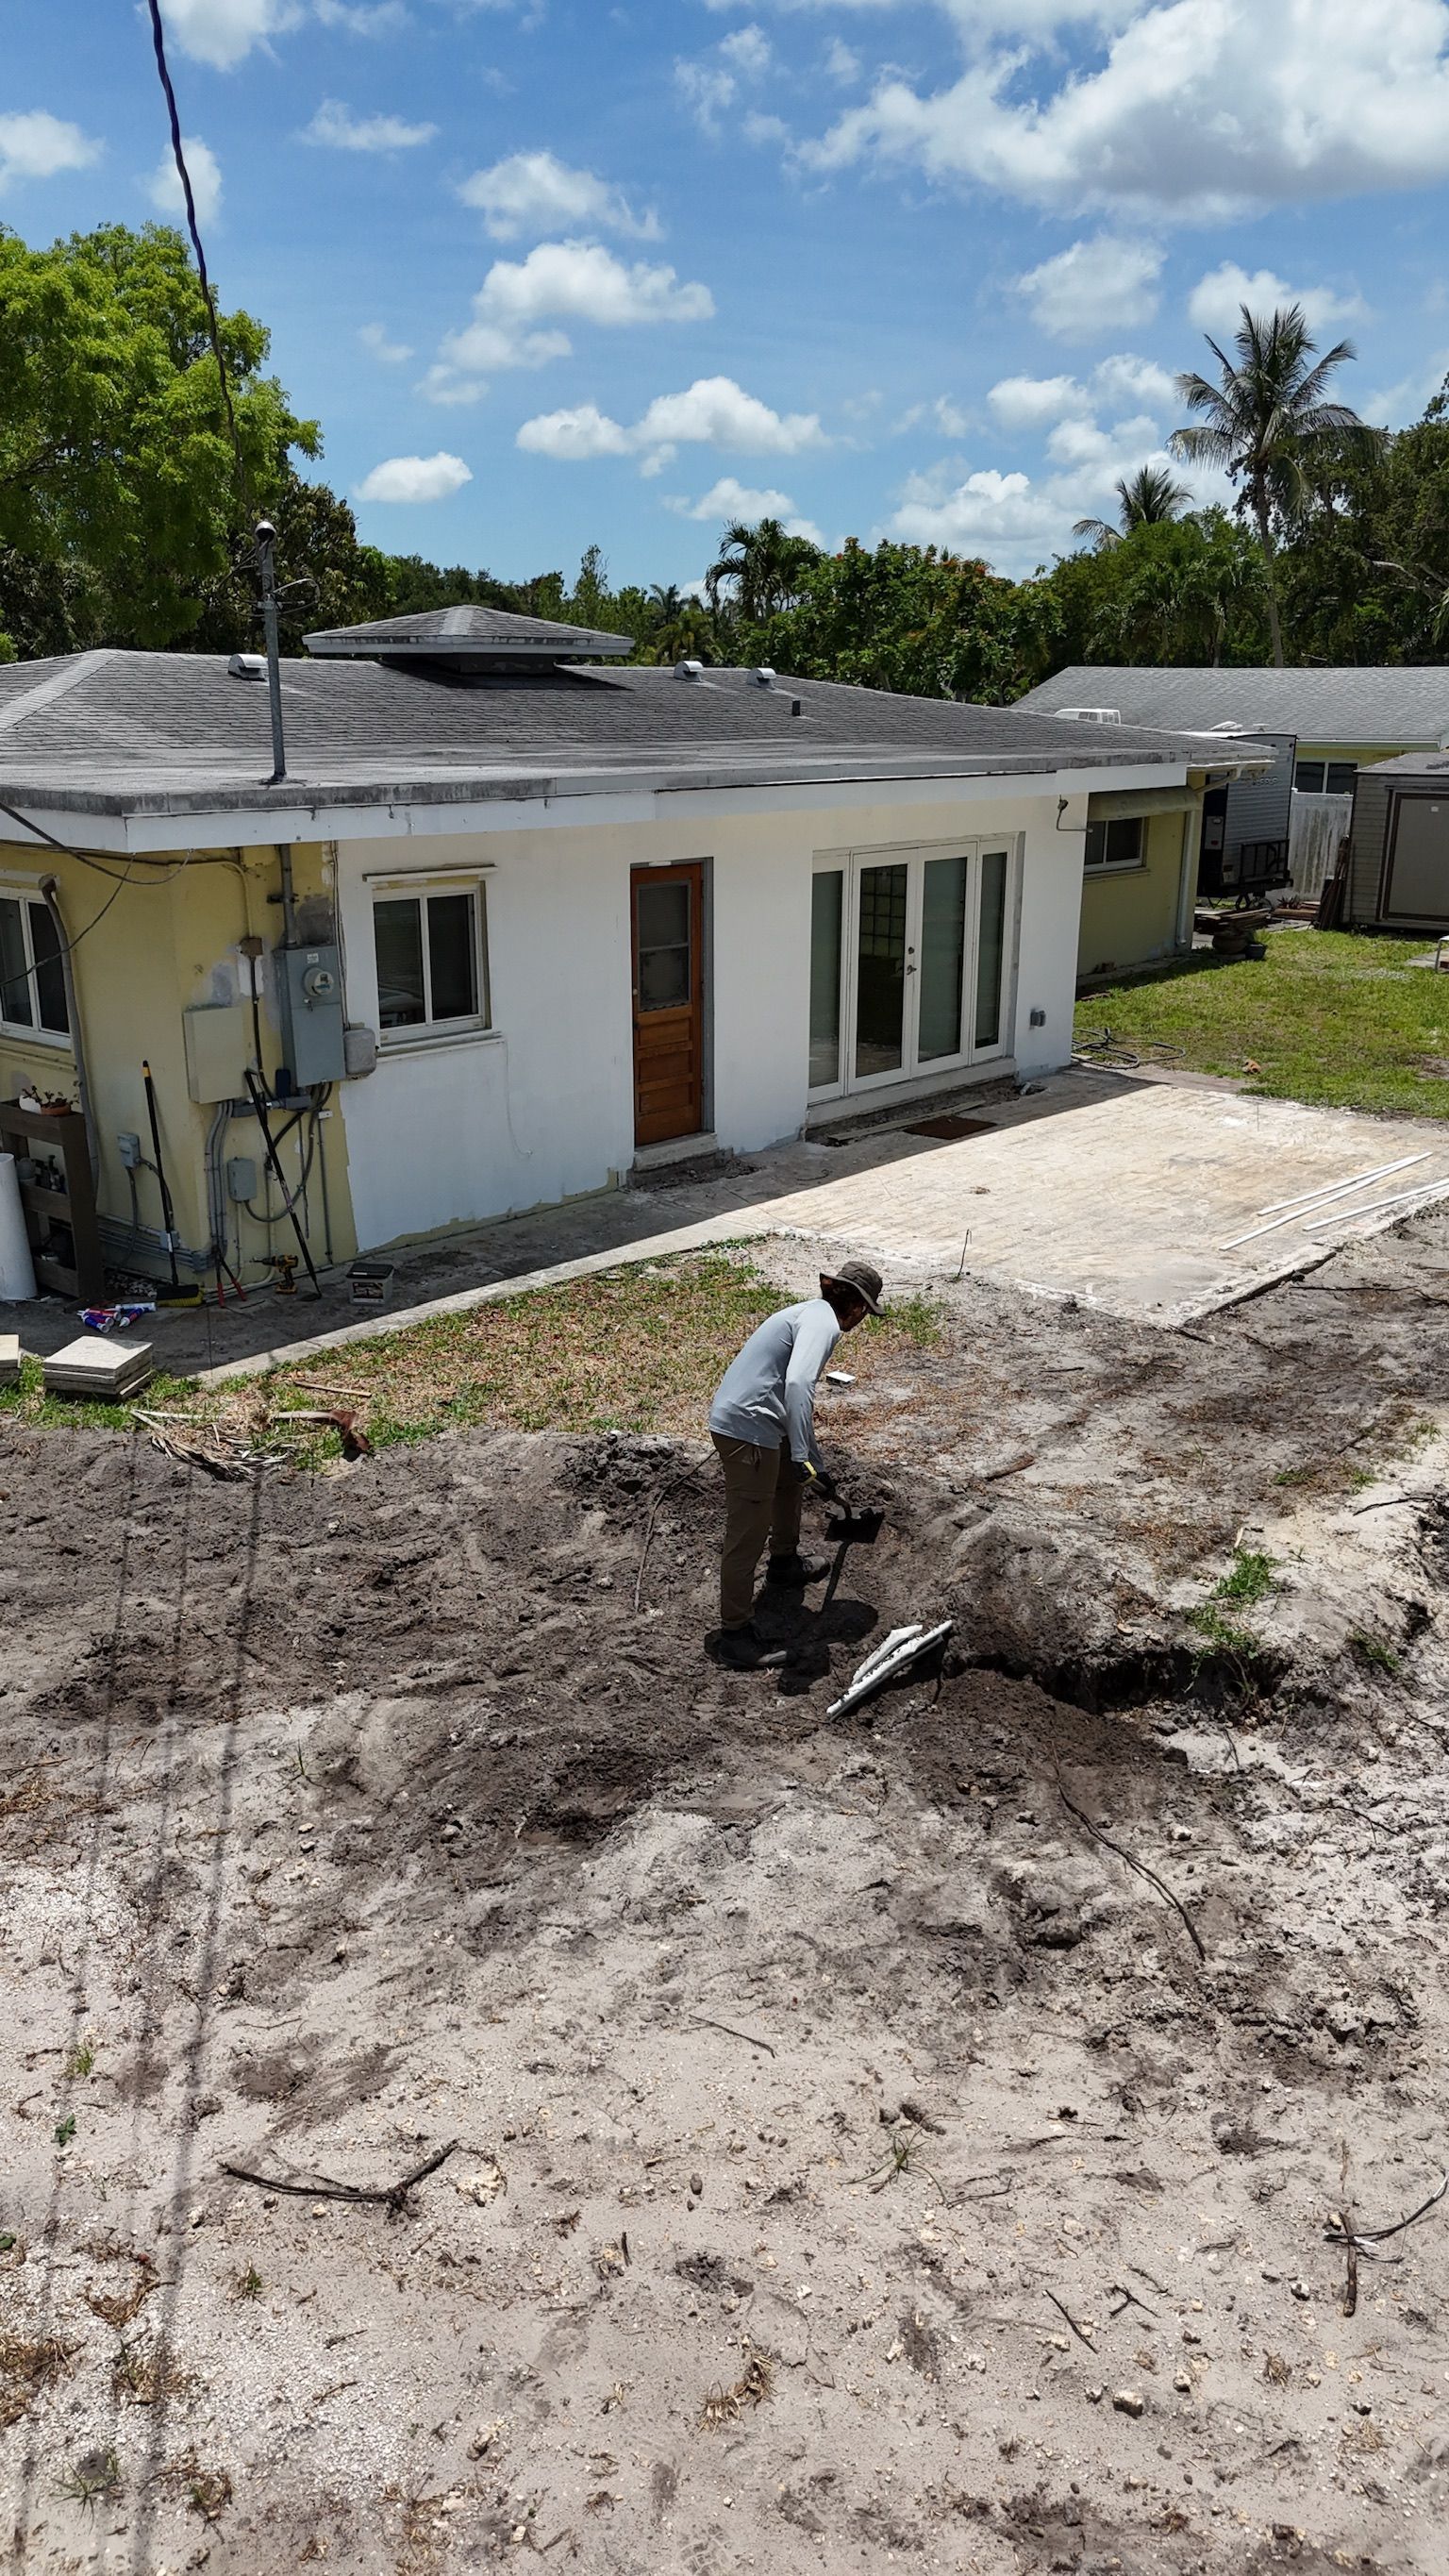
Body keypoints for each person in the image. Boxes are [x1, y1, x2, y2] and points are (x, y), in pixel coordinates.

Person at [707, 1261, 884, 1667]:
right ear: (857, 1307)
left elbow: (789, 1390)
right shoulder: (824, 1324)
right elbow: (799, 1384)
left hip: (764, 1423)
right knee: (747, 1532)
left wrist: (809, 1460)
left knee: (789, 1484)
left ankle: (784, 1563)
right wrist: (804, 1455)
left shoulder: (808, 1313)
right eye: (865, 1312)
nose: (862, 1319)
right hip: (746, 1431)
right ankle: (734, 1634)